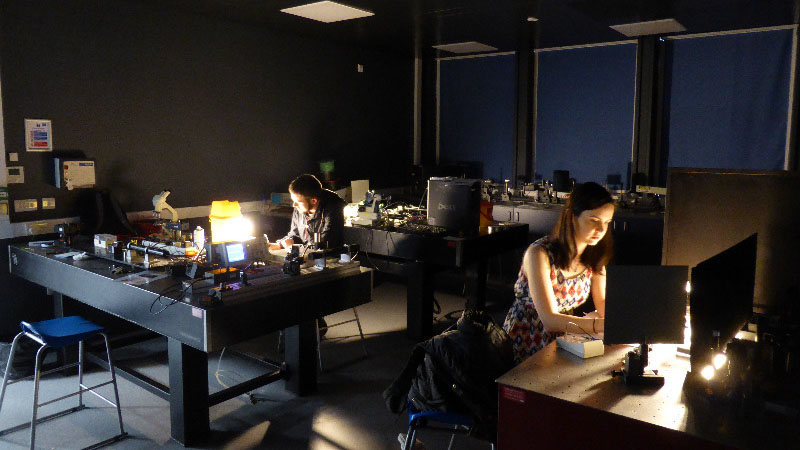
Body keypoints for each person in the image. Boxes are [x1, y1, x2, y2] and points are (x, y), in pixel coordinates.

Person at [503, 181, 615, 365]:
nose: (601, 230)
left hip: (566, 336)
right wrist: (601, 325)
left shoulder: (594, 255)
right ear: (572, 217)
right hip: (527, 339)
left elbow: (601, 301)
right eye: (594, 220)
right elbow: (550, 320)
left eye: (607, 222)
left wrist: (621, 324)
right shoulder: (539, 254)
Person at [269, 173, 346, 252]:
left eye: (298, 202)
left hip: (329, 258)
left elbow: (326, 243)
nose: (294, 205)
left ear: (313, 201)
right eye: (293, 201)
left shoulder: (333, 208)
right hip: (308, 255)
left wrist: (298, 248)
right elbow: (295, 234)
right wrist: (281, 244)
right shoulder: (300, 207)